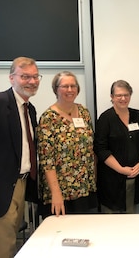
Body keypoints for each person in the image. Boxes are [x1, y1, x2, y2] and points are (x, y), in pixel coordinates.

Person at [0, 57, 41, 258]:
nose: (32, 81)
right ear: (11, 78)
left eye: (35, 76)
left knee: (10, 244)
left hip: (22, 185)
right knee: (1, 250)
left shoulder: (29, 109)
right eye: (25, 76)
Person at [37, 71, 97, 218]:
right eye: (65, 86)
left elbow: (90, 147)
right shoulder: (48, 118)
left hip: (83, 187)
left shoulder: (83, 112)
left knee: (83, 231)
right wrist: (56, 194)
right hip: (60, 190)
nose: (70, 90)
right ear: (56, 89)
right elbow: (47, 160)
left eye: (73, 86)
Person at [94, 80, 139, 213]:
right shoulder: (105, 118)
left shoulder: (138, 115)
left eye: (126, 95)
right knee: (111, 220)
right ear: (112, 97)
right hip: (111, 180)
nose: (123, 98)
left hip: (134, 177)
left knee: (131, 215)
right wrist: (121, 169)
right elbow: (101, 149)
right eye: (119, 95)